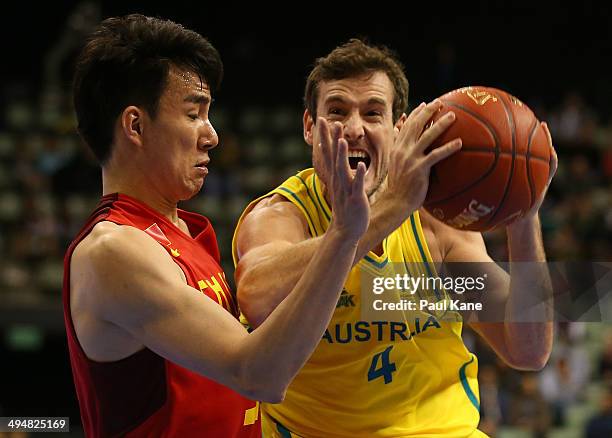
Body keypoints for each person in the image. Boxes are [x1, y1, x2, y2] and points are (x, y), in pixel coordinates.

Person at [63, 15, 370, 438]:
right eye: (194, 114)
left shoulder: (187, 232)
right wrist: (342, 238)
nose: (212, 136)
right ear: (135, 125)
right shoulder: (112, 252)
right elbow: (258, 373)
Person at [233, 39, 558, 437]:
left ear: (398, 128)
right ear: (308, 127)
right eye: (337, 111)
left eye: (373, 113)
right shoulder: (282, 215)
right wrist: (390, 209)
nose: (354, 128)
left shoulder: (435, 226)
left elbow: (527, 350)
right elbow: (257, 297)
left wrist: (523, 215)